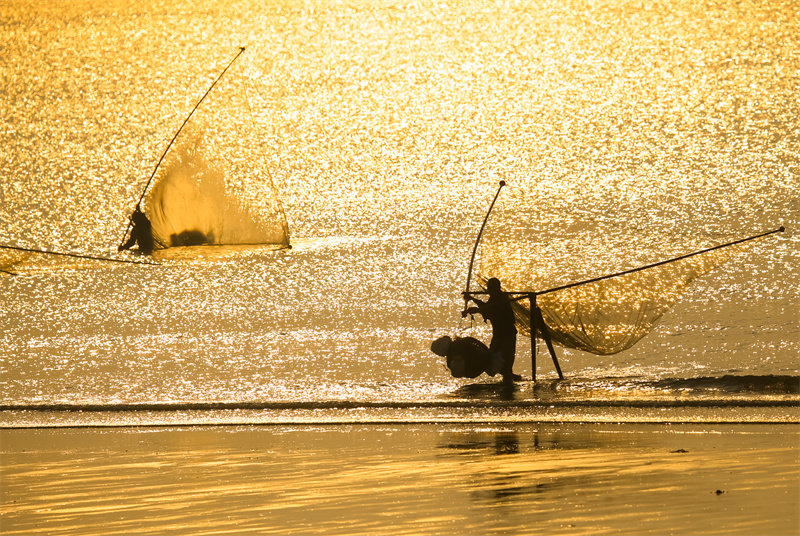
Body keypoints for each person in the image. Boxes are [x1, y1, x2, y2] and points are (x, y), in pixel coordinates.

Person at [463, 277, 520, 384]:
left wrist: (476, 308)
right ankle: (509, 376)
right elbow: (487, 307)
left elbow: (490, 310)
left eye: (491, 288)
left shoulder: (501, 298)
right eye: (488, 288)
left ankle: (508, 379)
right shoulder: (494, 297)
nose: (489, 290)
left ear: (498, 288)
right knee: (493, 357)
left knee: (505, 358)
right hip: (498, 334)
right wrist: (472, 299)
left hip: (507, 334)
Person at [430, 335, 502, 379]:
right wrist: (485, 349)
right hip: (483, 361)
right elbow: (472, 340)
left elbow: (468, 374)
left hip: (479, 367)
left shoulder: (449, 362)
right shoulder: (458, 342)